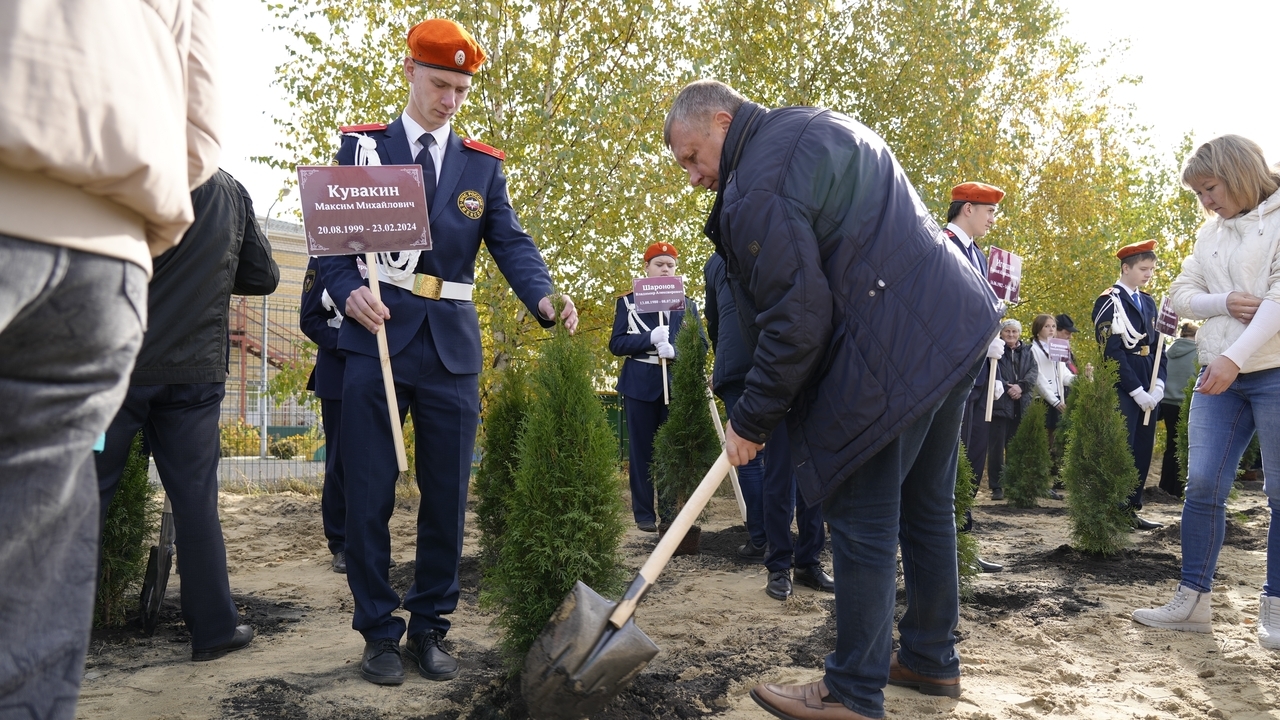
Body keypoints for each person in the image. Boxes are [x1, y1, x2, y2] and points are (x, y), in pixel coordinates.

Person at [664, 79, 1001, 720]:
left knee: (861, 518)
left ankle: (852, 690)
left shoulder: (756, 186)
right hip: (954, 324)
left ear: (720, 119)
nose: (693, 177)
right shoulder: (814, 124)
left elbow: (797, 317)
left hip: (892, 352)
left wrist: (752, 416)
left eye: (690, 156)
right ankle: (930, 660)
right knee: (926, 509)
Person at [314, 18, 578, 687]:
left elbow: (510, 242)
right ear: (409, 72)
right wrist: (347, 295)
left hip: (452, 350)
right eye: (440, 83)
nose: (450, 100)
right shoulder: (364, 150)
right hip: (375, 342)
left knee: (447, 501)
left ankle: (430, 627)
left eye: (461, 88)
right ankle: (377, 630)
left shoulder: (482, 165)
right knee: (367, 494)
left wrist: (543, 298)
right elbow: (332, 249)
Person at [0, 2, 219, 716]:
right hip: (109, 279)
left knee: (94, 484)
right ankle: (211, 628)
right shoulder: (235, 201)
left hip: (132, 356)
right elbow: (199, 145)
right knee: (54, 525)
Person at [96, 169, 278, 660]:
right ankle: (214, 630)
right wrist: (207, 274)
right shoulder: (229, 189)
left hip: (122, 364)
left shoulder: (128, 167)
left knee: (84, 495)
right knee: (197, 501)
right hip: (195, 374)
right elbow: (263, 275)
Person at [1133, 135, 1280, 646]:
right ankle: (1192, 601)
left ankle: (1276, 609)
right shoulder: (1208, 234)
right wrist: (1226, 300)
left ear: (1239, 172)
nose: (1206, 202)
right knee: (1201, 487)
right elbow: (1180, 295)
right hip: (1220, 374)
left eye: (1210, 188)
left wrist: (1235, 360)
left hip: (1270, 372)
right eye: (1198, 193)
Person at [704, 254, 832, 599]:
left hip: (803, 363)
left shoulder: (783, 239)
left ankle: (808, 561)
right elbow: (718, 320)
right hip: (761, 370)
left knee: (812, 471)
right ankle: (778, 563)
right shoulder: (719, 263)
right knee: (777, 472)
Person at [610, 241, 698, 532]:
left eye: (670, 265)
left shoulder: (687, 304)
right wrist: (648, 338)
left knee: (671, 451)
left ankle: (672, 514)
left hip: (674, 385)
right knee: (642, 452)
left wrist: (677, 351)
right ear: (646, 267)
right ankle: (645, 515)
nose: (665, 269)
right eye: (659, 264)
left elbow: (702, 345)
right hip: (640, 384)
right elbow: (617, 343)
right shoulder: (628, 303)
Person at [944, 181, 1008, 572]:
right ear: (967, 209)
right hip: (948, 369)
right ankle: (947, 544)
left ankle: (961, 540)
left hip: (974, 370)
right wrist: (981, 343)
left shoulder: (977, 255)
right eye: (989, 211)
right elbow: (947, 309)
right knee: (949, 458)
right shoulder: (944, 247)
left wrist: (992, 340)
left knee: (969, 455)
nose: (992, 219)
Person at [1092, 239, 1168, 531]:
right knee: (1122, 447)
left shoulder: (1148, 301)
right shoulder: (1109, 301)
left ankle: (1131, 509)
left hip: (1148, 375)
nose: (1148, 274)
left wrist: (1159, 383)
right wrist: (1136, 390)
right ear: (1126, 268)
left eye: (1151, 269)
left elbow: (1160, 345)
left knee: (1142, 447)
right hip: (1124, 381)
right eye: (1143, 268)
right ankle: (1114, 510)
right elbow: (1111, 351)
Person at [704, 252, 768, 557]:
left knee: (748, 458)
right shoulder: (771, 241)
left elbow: (714, 319)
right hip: (774, 359)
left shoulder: (715, 262)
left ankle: (759, 538)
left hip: (735, 364)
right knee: (782, 457)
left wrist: (723, 359)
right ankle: (782, 539)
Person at [300, 258, 348, 572]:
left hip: (385, 374)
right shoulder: (325, 256)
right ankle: (342, 544)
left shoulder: (390, 254)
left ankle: (370, 541)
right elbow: (310, 318)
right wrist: (346, 342)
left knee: (377, 466)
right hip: (339, 374)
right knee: (340, 464)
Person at [988, 319, 1037, 500]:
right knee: (996, 447)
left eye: (1014, 331)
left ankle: (1013, 483)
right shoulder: (996, 350)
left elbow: (1033, 372)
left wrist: (1021, 387)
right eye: (1007, 331)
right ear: (1001, 333)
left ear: (1019, 333)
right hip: (1001, 404)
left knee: (1015, 447)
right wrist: (1009, 387)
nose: (1011, 335)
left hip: (1021, 404)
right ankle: (997, 486)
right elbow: (994, 371)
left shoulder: (1028, 351)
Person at [1157, 322, 1199, 498]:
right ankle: (1180, 488)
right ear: (1195, 336)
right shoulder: (1197, 354)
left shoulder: (1168, 352)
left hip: (1166, 403)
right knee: (1185, 446)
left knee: (1171, 446)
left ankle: (1165, 486)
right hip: (1186, 403)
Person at [1029, 313, 1075, 460]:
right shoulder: (1032, 349)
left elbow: (1065, 375)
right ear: (1038, 329)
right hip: (1043, 400)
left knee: (1058, 442)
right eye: (1047, 326)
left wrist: (1083, 380)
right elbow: (1038, 378)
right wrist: (1054, 400)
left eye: (1053, 326)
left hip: (1059, 399)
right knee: (1046, 442)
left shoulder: (1057, 347)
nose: (1051, 329)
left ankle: (1057, 479)